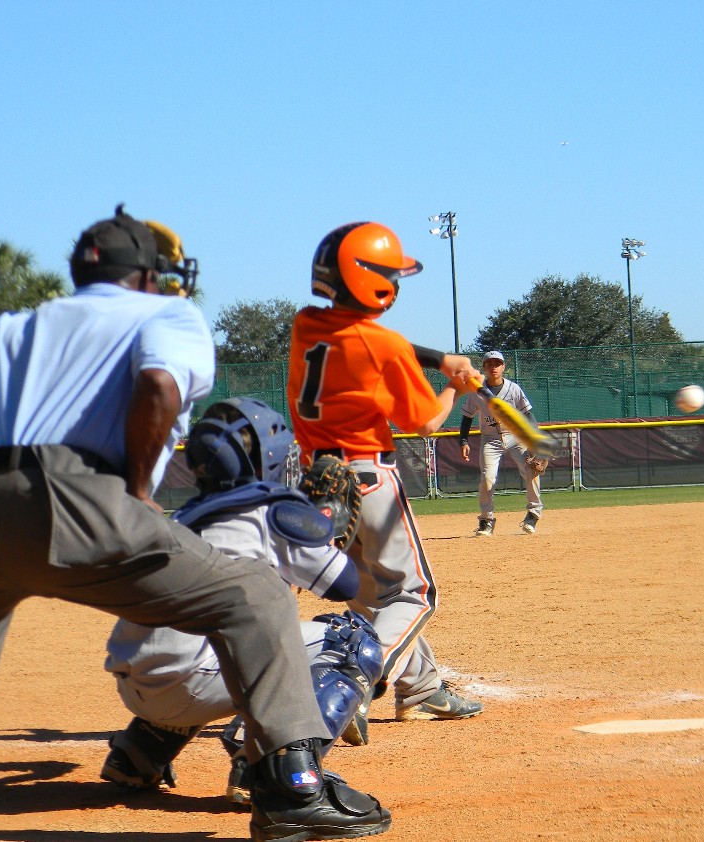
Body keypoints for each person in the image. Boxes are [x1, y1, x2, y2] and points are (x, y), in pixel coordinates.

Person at [0, 206, 390, 841]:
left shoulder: (21, 324)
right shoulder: (167, 313)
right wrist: (131, 487)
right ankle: (289, 785)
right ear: (147, 276)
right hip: (83, 495)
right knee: (254, 596)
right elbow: (157, 386)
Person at [100, 398, 383, 807]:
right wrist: (327, 531)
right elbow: (345, 584)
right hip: (195, 681)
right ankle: (268, 767)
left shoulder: (181, 519)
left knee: (211, 638)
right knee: (354, 641)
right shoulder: (270, 511)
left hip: (139, 684)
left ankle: (139, 754)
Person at [286, 221, 485, 747]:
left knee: (372, 593)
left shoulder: (306, 323)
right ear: (375, 282)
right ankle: (351, 684)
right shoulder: (386, 347)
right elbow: (424, 422)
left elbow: (376, 340)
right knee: (416, 594)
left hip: (317, 480)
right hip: (369, 481)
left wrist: (441, 357)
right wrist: (453, 388)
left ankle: (422, 686)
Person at [459, 350, 544, 536]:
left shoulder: (514, 389)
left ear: (504, 367)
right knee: (487, 478)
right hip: (490, 440)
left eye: (497, 363)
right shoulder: (476, 391)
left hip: (516, 436)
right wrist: (463, 440)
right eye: (489, 363)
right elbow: (467, 416)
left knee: (531, 471)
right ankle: (486, 521)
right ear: (484, 368)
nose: (494, 367)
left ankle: (533, 514)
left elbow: (528, 415)